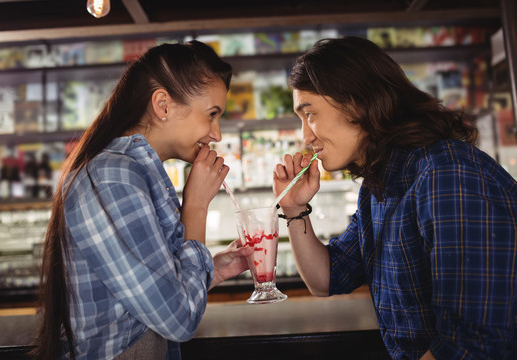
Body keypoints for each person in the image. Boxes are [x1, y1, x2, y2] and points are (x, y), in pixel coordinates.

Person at [273, 36, 517, 359]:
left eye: (310, 114)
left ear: (356, 102)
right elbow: (326, 277)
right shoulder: (377, 187)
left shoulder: (446, 174)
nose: (305, 135)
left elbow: (470, 343)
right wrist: (295, 209)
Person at [31, 40, 252, 360]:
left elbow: (145, 297)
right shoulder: (113, 178)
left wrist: (213, 270)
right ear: (163, 105)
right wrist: (196, 205)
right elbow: (179, 320)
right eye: (212, 114)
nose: (216, 134)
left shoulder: (133, 172)